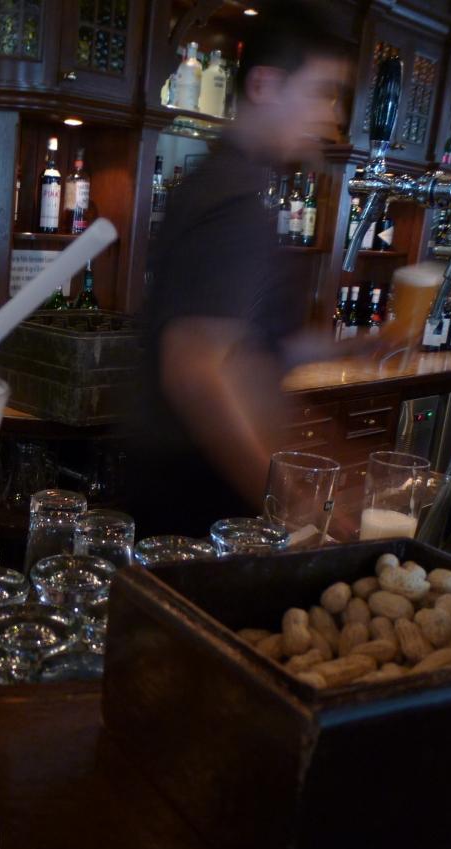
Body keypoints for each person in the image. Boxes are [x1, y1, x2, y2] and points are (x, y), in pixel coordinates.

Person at [127, 5, 352, 536]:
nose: (333, 116)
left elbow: (246, 344)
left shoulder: (227, 182)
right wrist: (294, 505)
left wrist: (359, 346)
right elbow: (196, 371)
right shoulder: (233, 201)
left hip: (186, 486)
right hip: (196, 499)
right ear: (265, 86)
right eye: (322, 92)